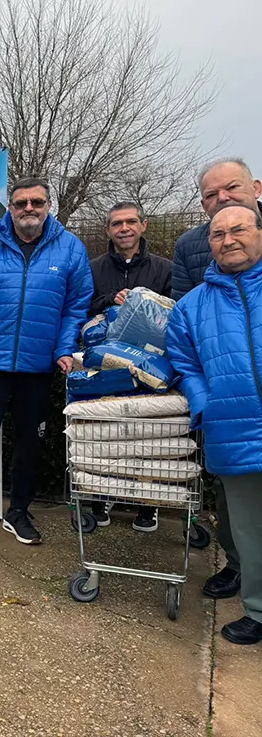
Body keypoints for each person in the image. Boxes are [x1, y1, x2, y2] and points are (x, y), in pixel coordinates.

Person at [0, 177, 93, 548]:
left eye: (36, 202)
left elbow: (77, 305)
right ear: (11, 207)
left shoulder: (71, 249)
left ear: (48, 205)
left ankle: (19, 511)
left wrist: (63, 349)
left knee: (30, 442)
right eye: (21, 203)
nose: (29, 209)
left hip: (37, 366)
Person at [167, 202, 262, 645]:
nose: (229, 240)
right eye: (219, 234)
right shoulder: (190, 307)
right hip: (234, 427)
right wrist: (208, 406)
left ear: (258, 231)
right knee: (247, 527)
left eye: (238, 229)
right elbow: (185, 365)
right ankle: (258, 612)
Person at [87, 201, 172, 532]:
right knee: (106, 429)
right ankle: (102, 496)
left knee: (148, 432)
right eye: (117, 223)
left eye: (130, 222)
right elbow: (80, 305)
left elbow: (175, 310)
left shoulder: (165, 268)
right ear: (109, 229)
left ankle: (146, 502)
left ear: (143, 225)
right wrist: (110, 300)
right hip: (105, 361)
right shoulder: (93, 268)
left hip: (150, 364)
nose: (124, 228)